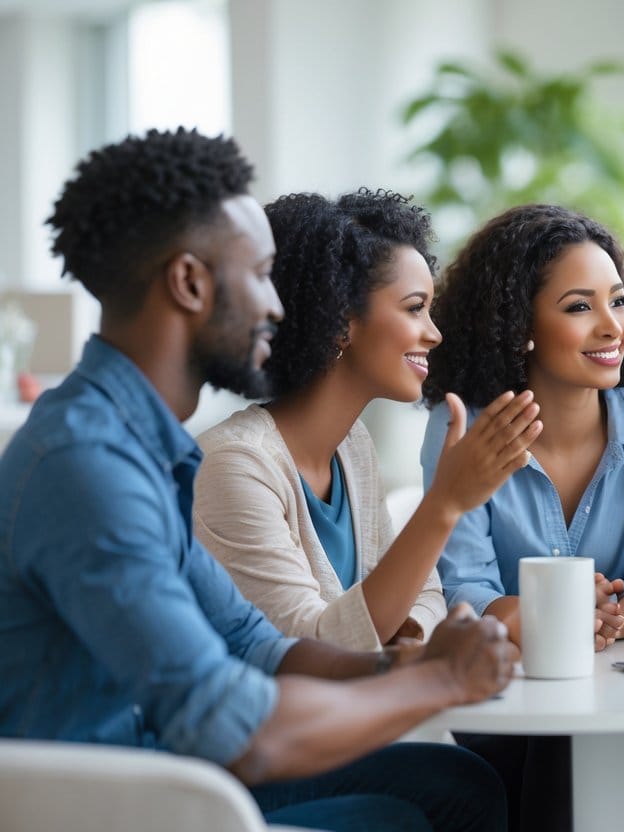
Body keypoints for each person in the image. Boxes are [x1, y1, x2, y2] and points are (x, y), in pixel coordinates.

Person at [0, 127, 517, 832]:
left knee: (459, 783)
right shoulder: (85, 465)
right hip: (107, 803)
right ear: (189, 283)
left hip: (165, 772)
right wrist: (439, 680)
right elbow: (232, 726)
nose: (278, 307)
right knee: (399, 818)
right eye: (259, 275)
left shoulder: (142, 445)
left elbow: (255, 647)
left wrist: (409, 665)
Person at [419, 204, 624, 832]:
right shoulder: (461, 428)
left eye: (618, 302)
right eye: (579, 307)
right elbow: (464, 587)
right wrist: (559, 622)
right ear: (520, 326)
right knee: (547, 762)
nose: (613, 327)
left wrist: (601, 623)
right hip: (513, 703)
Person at [194, 189, 540, 651]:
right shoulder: (233, 464)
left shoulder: (351, 445)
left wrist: (399, 637)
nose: (434, 333)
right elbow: (310, 649)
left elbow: (425, 593)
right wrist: (445, 503)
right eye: (415, 308)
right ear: (340, 320)